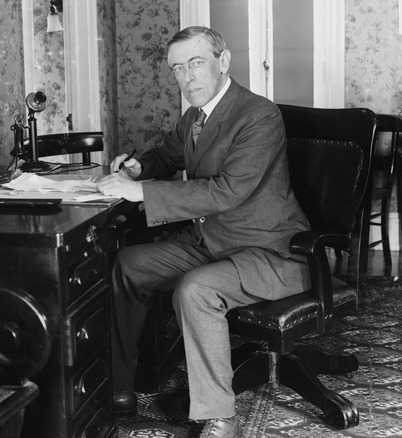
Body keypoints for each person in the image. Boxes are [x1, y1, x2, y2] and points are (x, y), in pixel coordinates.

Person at [96, 26, 311, 438]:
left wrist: (138, 190)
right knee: (128, 265)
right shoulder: (196, 116)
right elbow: (166, 154)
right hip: (212, 243)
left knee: (195, 290)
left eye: (196, 64)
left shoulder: (259, 115)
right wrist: (141, 168)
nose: (187, 77)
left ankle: (219, 417)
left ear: (223, 62)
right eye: (178, 68)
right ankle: (120, 386)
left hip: (271, 251)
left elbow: (227, 191)